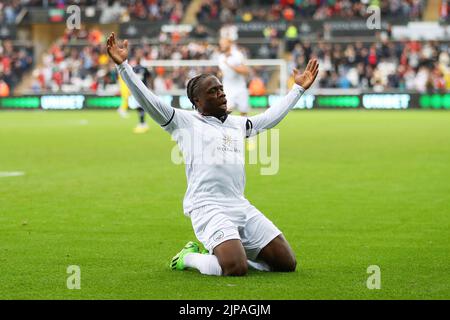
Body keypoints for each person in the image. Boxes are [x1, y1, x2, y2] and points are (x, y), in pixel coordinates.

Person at [106, 32, 319, 276]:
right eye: (213, 91)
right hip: (207, 207)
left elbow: (268, 119)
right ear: (197, 101)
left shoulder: (237, 124)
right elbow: (148, 99)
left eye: (221, 88)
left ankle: (227, 252)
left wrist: (298, 89)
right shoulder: (183, 122)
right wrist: (123, 66)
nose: (222, 94)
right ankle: (189, 257)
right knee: (235, 268)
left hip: (240, 205)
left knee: (286, 264)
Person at [218, 38, 250, 117]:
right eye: (220, 44)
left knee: (243, 112)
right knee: (226, 111)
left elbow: (245, 71)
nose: (221, 45)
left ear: (229, 44)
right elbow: (222, 71)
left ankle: (245, 128)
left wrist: (229, 65)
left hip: (240, 87)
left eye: (223, 43)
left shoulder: (237, 55)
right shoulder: (220, 57)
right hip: (227, 88)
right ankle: (228, 129)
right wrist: (220, 73)